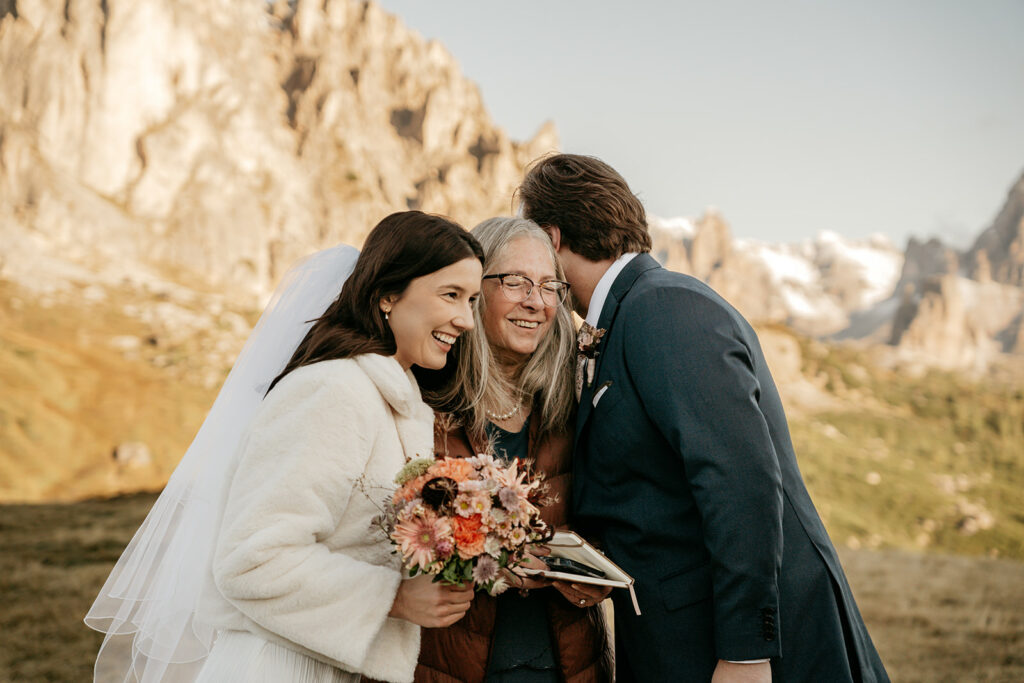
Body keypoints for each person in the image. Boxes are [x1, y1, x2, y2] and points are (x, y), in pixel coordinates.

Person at [517, 155, 891, 683]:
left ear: (552, 238)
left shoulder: (664, 310)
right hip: (682, 638)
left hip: (749, 652)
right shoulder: (631, 313)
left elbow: (741, 482)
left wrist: (745, 652)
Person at [87, 211, 483, 683]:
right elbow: (252, 560)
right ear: (387, 295)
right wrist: (395, 598)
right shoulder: (331, 390)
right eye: (451, 295)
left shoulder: (395, 401)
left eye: (474, 300)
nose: (467, 320)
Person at [412, 217, 612, 683]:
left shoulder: (573, 400)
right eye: (516, 281)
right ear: (473, 289)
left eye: (548, 285)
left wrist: (576, 567)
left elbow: (613, 517)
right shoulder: (423, 401)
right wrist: (480, 557)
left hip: (563, 666)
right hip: (447, 665)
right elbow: (384, 534)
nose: (535, 302)